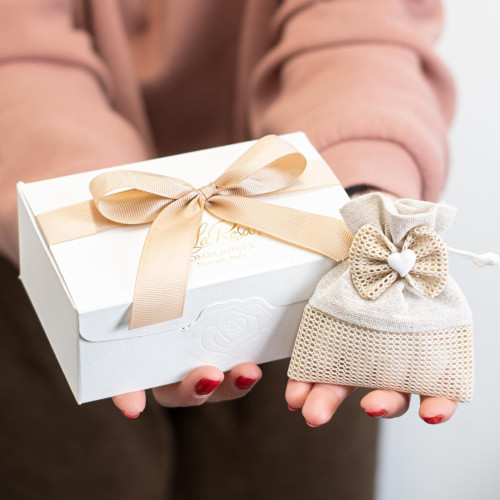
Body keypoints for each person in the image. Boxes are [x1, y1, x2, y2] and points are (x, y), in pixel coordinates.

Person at [0, 1, 456, 499]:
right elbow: (19, 54)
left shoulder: (346, 255)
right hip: (58, 243)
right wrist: (111, 234)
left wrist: (367, 209)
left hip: (308, 245)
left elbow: (360, 28)